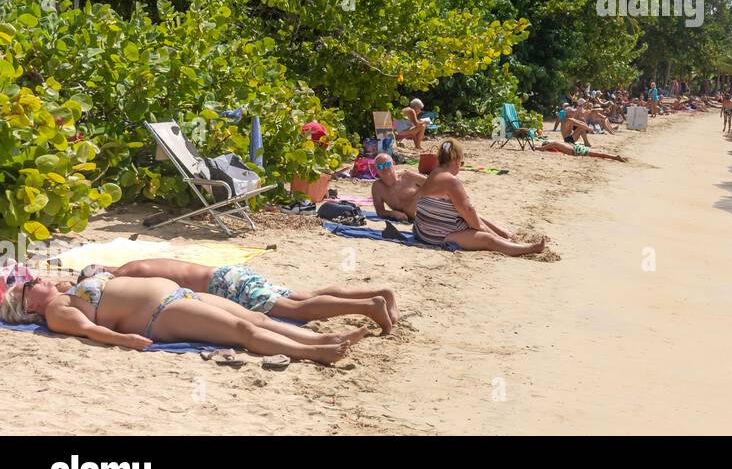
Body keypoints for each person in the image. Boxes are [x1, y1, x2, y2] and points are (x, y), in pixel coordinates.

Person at [1, 270, 362, 364]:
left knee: (257, 318)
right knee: (241, 330)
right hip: (160, 314)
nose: (36, 279)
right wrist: (126, 341)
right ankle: (314, 352)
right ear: (29, 305)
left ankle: (320, 339)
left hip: (178, 295)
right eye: (29, 284)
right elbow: (91, 331)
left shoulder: (64, 293)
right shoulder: (56, 312)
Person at [85, 259, 397, 334]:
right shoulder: (137, 263)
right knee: (306, 295)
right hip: (231, 275)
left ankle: (368, 307)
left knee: (295, 310)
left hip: (225, 287)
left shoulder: (127, 274)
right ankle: (378, 293)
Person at [414, 139, 546, 255]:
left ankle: (504, 233)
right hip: (437, 236)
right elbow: (474, 221)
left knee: (468, 212)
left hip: (422, 230)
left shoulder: (434, 174)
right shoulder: (452, 181)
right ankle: (525, 249)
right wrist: (494, 235)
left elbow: (467, 212)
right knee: (489, 240)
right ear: (456, 161)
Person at [371, 153, 424, 221]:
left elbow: (433, 184)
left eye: (387, 164)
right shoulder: (378, 187)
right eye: (380, 166)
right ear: (376, 169)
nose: (384, 168)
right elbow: (380, 212)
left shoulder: (409, 176)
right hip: (414, 221)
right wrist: (393, 213)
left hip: (428, 214)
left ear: (393, 164)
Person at [537, 138, 629, 161]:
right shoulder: (560, 145)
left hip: (577, 151)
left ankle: (616, 157)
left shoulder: (557, 144)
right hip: (577, 149)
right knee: (599, 154)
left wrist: (539, 148)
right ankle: (616, 157)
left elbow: (550, 145)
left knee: (599, 154)